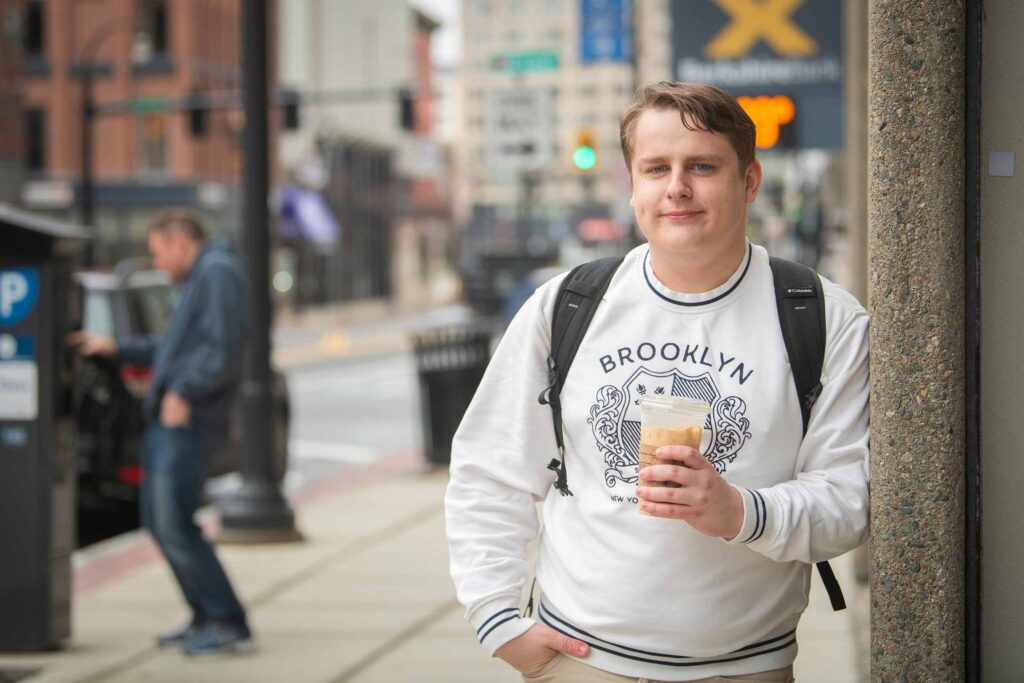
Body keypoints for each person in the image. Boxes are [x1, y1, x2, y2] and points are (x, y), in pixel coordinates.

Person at [444, 82, 870, 683]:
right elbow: (491, 471)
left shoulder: (822, 316)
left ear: (749, 181)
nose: (677, 187)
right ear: (632, 185)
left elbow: (850, 499)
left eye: (702, 166)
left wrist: (738, 511)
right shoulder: (566, 306)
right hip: (581, 661)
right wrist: (499, 621)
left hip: (744, 669)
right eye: (655, 168)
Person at [69, 210, 254, 656]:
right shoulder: (201, 278)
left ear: (180, 243)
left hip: (186, 421)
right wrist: (116, 347)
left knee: (174, 522)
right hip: (172, 419)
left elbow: (222, 348)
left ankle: (227, 620)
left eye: (157, 253)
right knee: (160, 521)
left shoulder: (216, 272)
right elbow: (174, 347)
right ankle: (204, 615)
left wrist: (184, 392)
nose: (157, 263)